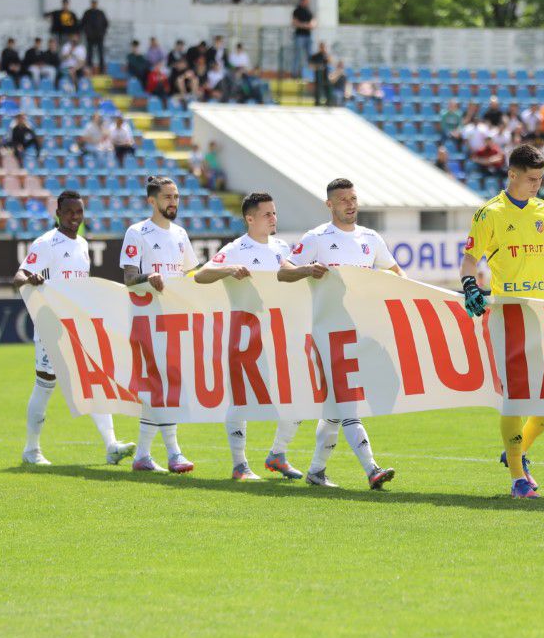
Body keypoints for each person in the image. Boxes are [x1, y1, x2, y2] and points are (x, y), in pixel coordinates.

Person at [458, 144, 544, 499]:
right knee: (515, 398)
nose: (537, 185)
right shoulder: (489, 213)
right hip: (508, 314)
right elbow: (469, 260)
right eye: (531, 179)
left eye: (540, 179)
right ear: (512, 175)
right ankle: (517, 479)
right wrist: (468, 285)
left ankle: (518, 454)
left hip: (542, 314)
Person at [276, 178, 402, 491]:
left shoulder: (370, 238)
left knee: (334, 410)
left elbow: (397, 275)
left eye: (353, 198)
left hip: (362, 332)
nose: (350, 204)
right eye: (343, 199)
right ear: (330, 205)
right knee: (347, 403)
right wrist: (307, 270)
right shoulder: (317, 237)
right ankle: (371, 469)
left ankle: (317, 472)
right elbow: (283, 270)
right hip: (328, 333)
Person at [12, 190, 136, 466]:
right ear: (58, 213)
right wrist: (29, 278)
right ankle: (31, 450)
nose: (74, 217)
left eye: (79, 212)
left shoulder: (81, 243)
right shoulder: (46, 243)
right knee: (45, 384)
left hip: (79, 324)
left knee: (95, 380)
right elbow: (19, 275)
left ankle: (111, 445)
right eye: (69, 212)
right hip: (51, 324)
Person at [193, 192, 306, 481]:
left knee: (300, 395)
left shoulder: (280, 247)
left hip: (279, 332)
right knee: (242, 399)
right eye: (267, 214)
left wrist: (310, 271)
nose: (273, 219)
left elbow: (288, 273)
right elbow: (201, 275)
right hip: (246, 335)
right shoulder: (236, 249)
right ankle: (239, 465)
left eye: (274, 213)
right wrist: (229, 269)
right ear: (250, 218)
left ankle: (278, 454)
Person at [119, 176, 200, 474]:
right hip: (147, 317)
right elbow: (129, 278)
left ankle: (142, 455)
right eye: (167, 197)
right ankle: (174, 452)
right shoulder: (137, 232)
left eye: (176, 196)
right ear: (152, 201)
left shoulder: (180, 234)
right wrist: (148, 278)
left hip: (175, 317)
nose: (173, 202)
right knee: (165, 382)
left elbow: (191, 274)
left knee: (162, 384)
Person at [291, 0, 315, 77]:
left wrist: (303, 25)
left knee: (310, 56)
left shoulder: (309, 11)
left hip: (308, 36)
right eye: (306, 1)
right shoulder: (296, 11)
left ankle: (310, 75)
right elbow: (295, 23)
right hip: (299, 36)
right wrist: (305, 25)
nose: (307, 2)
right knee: (297, 55)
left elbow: (313, 24)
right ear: (302, 1)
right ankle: (294, 74)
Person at [80, 0, 108, 69]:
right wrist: (87, 32)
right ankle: (89, 67)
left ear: (97, 4)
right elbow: (82, 23)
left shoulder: (101, 13)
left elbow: (106, 24)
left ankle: (101, 69)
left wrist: (103, 33)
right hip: (90, 37)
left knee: (101, 53)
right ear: (91, 3)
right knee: (90, 53)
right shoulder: (87, 13)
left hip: (99, 37)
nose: (94, 4)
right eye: (93, 3)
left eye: (95, 3)